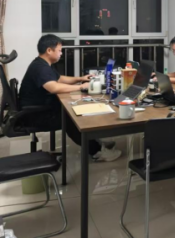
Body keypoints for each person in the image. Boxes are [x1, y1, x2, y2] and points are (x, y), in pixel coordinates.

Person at [19, 34, 121, 162]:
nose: (61, 53)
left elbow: (59, 79)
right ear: (49, 50)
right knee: (71, 118)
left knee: (74, 109)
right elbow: (54, 87)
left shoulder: (43, 64)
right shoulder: (40, 68)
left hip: (40, 109)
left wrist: (80, 79)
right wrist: (81, 86)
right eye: (59, 50)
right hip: (35, 115)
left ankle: (95, 142)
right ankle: (97, 151)